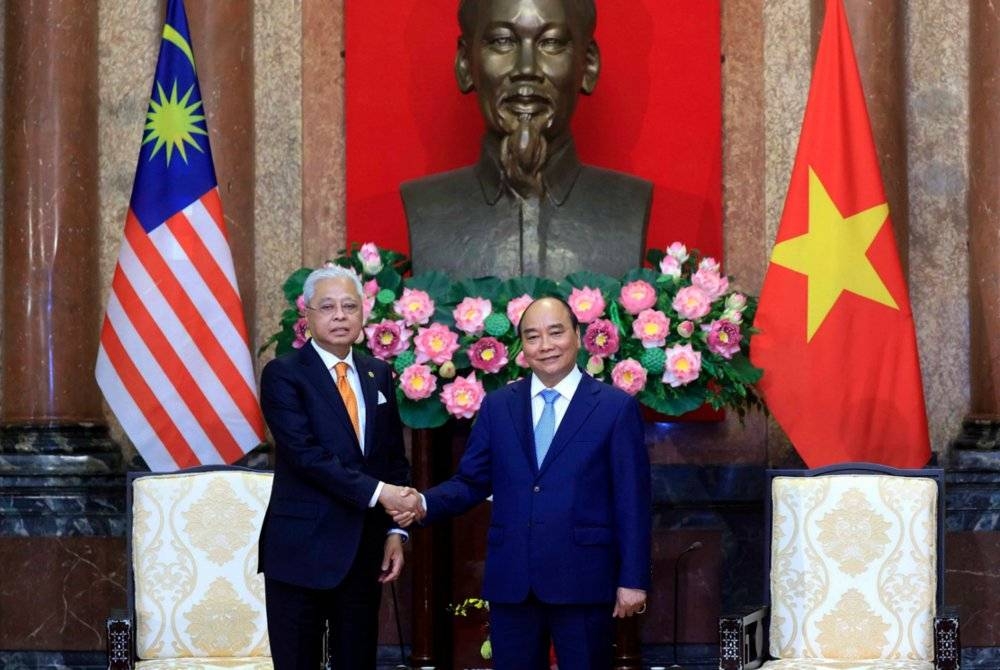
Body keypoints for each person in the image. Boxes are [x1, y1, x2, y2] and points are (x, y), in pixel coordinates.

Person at [391, 297, 651, 669]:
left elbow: (633, 501)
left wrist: (633, 579)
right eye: (532, 337)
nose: (545, 345)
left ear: (577, 337)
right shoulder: (499, 407)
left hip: (583, 580)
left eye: (556, 332)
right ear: (522, 348)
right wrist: (423, 503)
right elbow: (471, 481)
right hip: (513, 582)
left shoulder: (613, 407)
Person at [400, 0, 652, 279]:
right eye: (502, 41)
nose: (526, 68)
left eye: (552, 42)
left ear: (588, 65)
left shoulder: (628, 205)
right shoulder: (426, 207)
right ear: (465, 64)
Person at [257, 266, 414, 670]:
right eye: (327, 307)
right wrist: (382, 494)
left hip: (363, 551)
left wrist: (396, 530)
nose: (340, 315)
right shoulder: (284, 374)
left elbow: (393, 458)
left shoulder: (378, 373)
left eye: (349, 306)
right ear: (306, 315)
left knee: (357, 661)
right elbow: (306, 455)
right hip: (300, 551)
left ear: (364, 314)